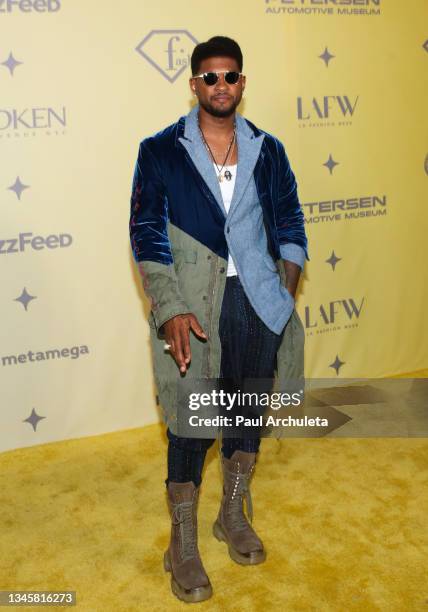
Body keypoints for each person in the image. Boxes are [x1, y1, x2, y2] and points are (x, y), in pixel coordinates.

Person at [129, 36, 309, 603]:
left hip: (255, 301)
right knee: (189, 419)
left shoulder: (268, 149)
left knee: (247, 409)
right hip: (193, 306)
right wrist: (170, 306)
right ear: (194, 84)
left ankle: (231, 513)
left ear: (242, 83)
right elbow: (146, 234)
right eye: (209, 77)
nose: (220, 86)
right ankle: (182, 542)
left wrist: (283, 292)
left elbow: (291, 222)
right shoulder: (161, 151)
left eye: (230, 76)